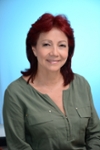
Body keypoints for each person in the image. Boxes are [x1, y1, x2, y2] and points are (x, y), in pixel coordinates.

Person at [3, 13, 100, 150]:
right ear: (34, 49)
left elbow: (95, 134)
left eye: (62, 45)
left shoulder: (81, 84)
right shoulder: (15, 94)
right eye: (47, 44)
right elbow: (18, 146)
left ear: (69, 50)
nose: (55, 52)